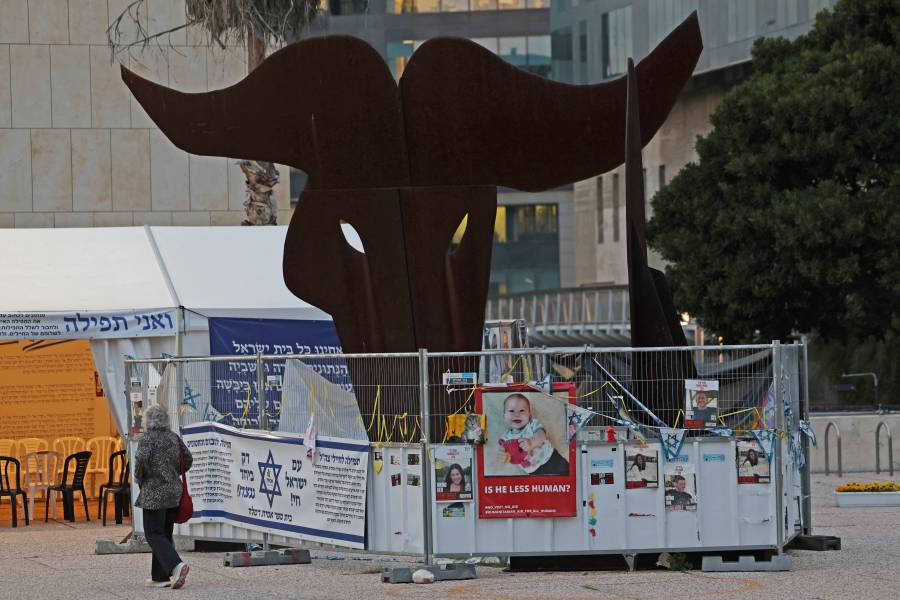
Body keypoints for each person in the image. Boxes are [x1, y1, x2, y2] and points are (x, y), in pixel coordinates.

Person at [135, 405, 193, 589]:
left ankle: (177, 565)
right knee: (164, 534)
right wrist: (172, 472)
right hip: (174, 492)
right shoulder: (173, 437)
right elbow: (188, 459)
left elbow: (141, 461)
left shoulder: (147, 439)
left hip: (154, 492)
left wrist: (140, 478)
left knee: (153, 534)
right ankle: (160, 577)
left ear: (147, 420)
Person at [499, 393, 569, 476]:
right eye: (511, 411)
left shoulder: (532, 424)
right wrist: (505, 457)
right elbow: (504, 451)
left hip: (551, 458)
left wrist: (531, 442)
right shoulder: (506, 438)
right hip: (534, 470)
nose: (516, 414)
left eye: (522, 410)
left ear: (529, 414)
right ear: (504, 416)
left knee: (568, 476)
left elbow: (541, 435)